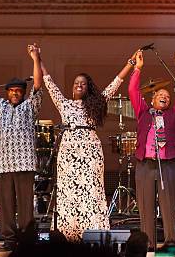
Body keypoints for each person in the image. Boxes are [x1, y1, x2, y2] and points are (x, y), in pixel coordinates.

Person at [40, 48, 136, 242]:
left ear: (88, 87)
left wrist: (130, 64)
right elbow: (49, 82)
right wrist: (38, 59)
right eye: (76, 83)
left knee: (91, 190)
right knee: (68, 192)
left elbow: (114, 85)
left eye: (83, 84)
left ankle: (91, 231)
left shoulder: (96, 103)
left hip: (90, 151)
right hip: (68, 152)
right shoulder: (64, 103)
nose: (79, 85)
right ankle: (68, 233)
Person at [0, 44, 43, 251]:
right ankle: (10, 239)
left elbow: (38, 85)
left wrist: (35, 59)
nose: (15, 93)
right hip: (3, 165)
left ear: (23, 92)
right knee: (5, 207)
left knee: (25, 207)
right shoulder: (0, 106)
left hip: (24, 164)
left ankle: (27, 240)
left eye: (19, 91)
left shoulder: (30, 106)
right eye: (12, 90)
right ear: (7, 92)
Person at [128, 49, 175, 247]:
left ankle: (171, 241)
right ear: (152, 98)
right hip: (145, 164)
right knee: (145, 205)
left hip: (169, 164)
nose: (165, 97)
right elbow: (132, 91)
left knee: (169, 204)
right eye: (160, 94)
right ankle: (149, 243)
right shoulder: (143, 112)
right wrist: (138, 68)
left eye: (167, 96)